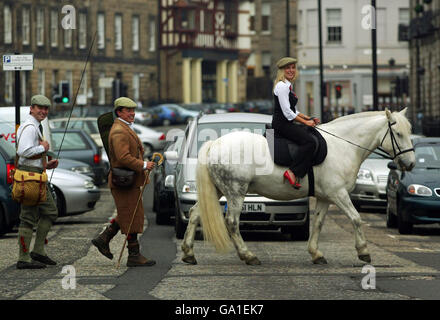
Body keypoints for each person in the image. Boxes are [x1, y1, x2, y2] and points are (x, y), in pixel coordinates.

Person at [92, 97, 156, 267]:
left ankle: (104, 239)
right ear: (119, 112)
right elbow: (123, 157)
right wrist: (143, 165)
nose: (132, 113)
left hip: (128, 179)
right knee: (131, 215)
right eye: (128, 110)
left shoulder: (124, 127)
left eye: (133, 110)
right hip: (124, 180)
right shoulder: (119, 131)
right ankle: (133, 255)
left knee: (130, 213)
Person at [16, 95, 59, 269]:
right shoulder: (30, 127)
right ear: (31, 108)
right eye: (39, 108)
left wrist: (45, 164)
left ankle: (38, 251)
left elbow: (27, 156)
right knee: (28, 217)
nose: (43, 111)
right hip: (30, 177)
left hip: (35, 174)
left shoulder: (34, 126)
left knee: (49, 212)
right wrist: (44, 148)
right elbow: (23, 151)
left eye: (46, 109)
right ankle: (24, 258)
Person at [272, 57, 320, 189]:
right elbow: (288, 113)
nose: (291, 70)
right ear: (282, 70)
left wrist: (307, 117)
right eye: (288, 68)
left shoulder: (287, 85)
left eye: (293, 67)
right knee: (310, 142)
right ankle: (292, 172)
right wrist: (306, 123)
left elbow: (293, 110)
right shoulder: (282, 86)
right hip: (282, 125)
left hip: (285, 123)